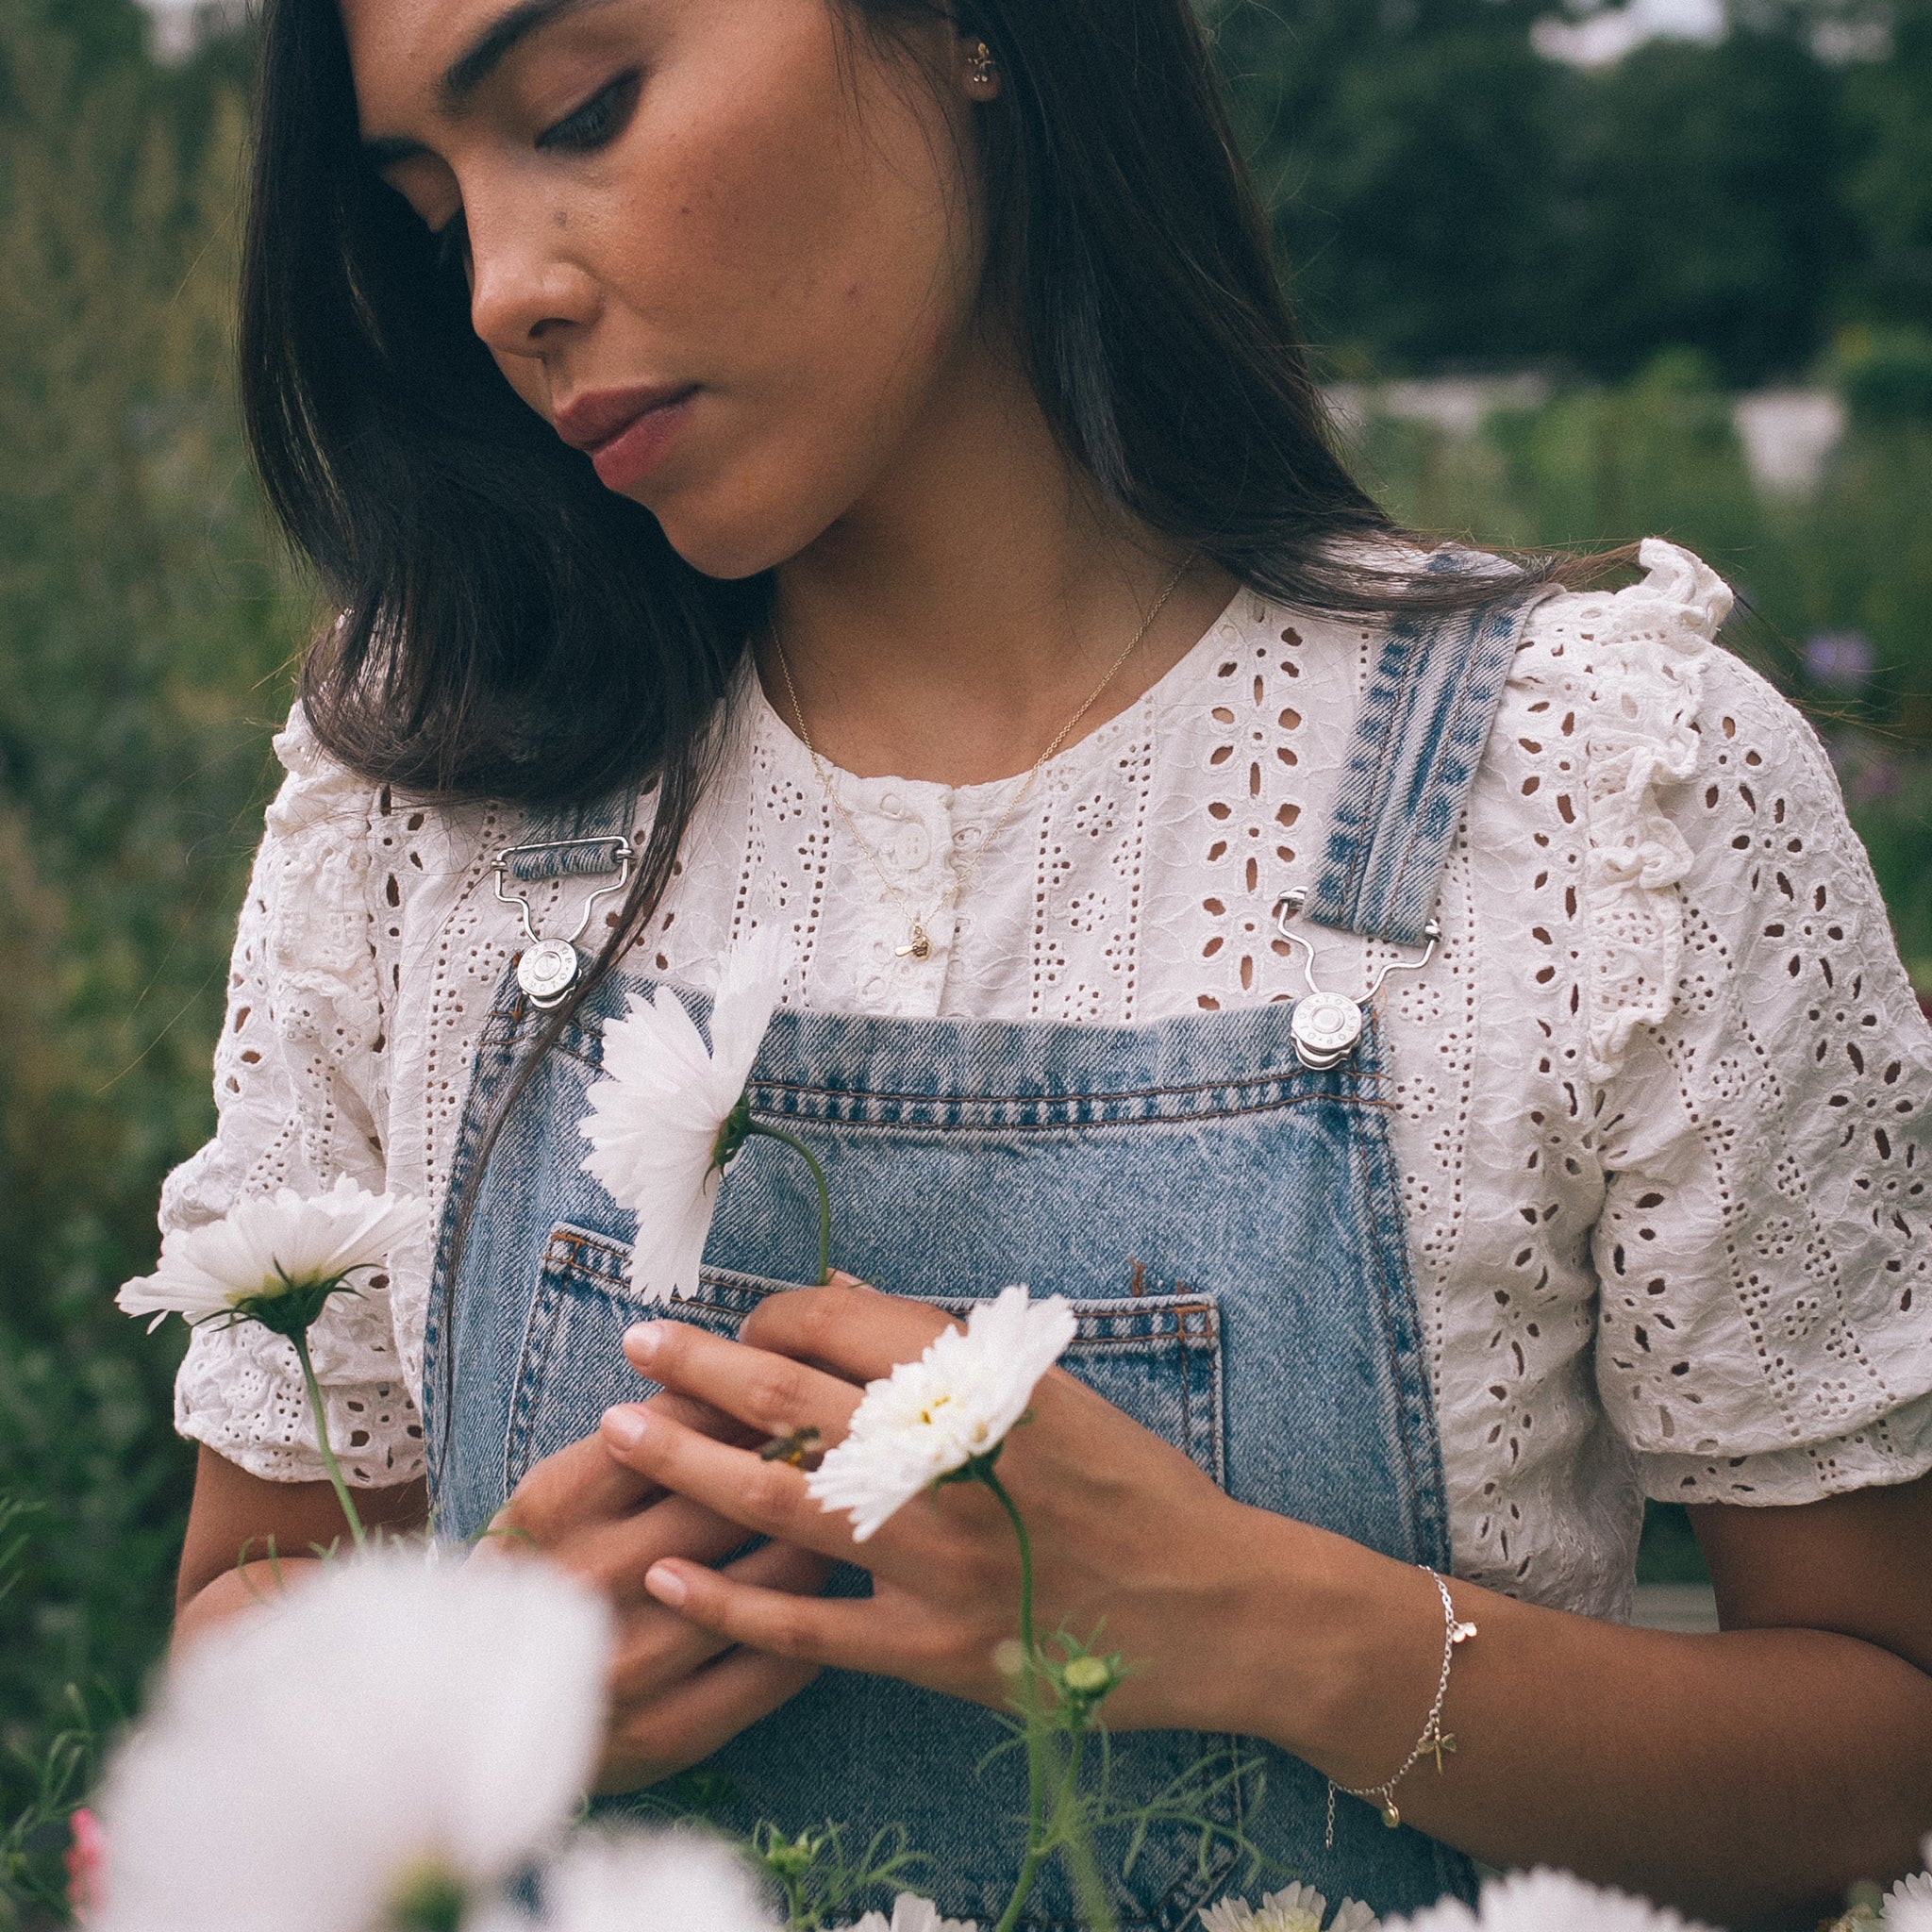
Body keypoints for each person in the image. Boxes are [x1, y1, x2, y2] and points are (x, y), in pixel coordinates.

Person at [163, 0, 1932, 1923]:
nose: (503, 291)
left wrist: (1261, 1628)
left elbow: (1880, 1746)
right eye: (430, 215)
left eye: (581, 108)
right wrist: (478, 1697)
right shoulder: (433, 790)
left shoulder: (1598, 795)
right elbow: (235, 1627)